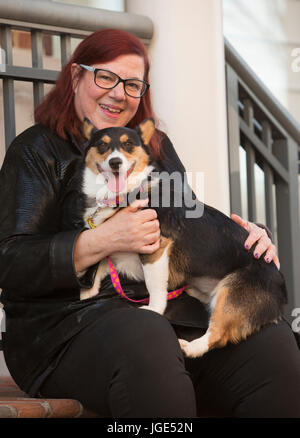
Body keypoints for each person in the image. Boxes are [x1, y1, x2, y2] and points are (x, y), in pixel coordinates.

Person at [0, 29, 299, 419]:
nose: (119, 93)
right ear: (76, 77)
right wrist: (99, 240)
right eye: (105, 77)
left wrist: (250, 237)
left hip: (166, 316)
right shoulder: (35, 152)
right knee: (150, 335)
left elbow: (189, 225)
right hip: (67, 329)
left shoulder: (154, 147)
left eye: (133, 84)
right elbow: (10, 260)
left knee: (272, 345)